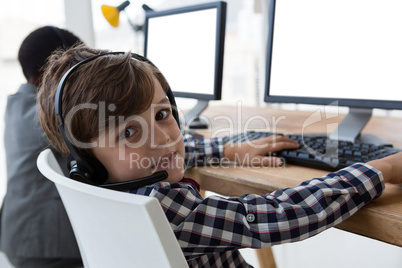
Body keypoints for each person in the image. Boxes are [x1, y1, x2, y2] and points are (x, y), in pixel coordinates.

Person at [38, 44, 402, 268]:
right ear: (86, 158)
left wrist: (227, 149)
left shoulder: (98, 181)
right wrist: (378, 169)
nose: (165, 137)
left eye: (163, 114)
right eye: (129, 132)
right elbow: (276, 215)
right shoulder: (167, 207)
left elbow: (170, 151)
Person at [0, 26, 84, 268]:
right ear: (56, 68)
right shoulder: (45, 113)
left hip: (21, 235)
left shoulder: (18, 104)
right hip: (46, 247)